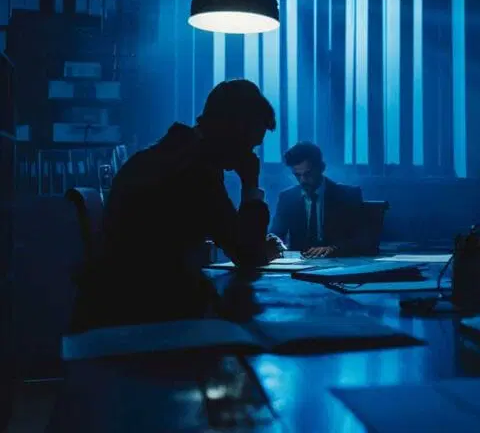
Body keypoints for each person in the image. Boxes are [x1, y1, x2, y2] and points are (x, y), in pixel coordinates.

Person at [70, 79, 282, 333]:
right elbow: (248, 256)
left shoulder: (166, 154)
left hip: (118, 308)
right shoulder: (193, 169)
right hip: (148, 319)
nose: (250, 156)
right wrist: (251, 185)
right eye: (249, 145)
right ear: (234, 130)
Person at [270, 142, 366, 257]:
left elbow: (363, 239)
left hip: (338, 264)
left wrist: (333, 249)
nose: (303, 180)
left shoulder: (348, 195)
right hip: (298, 265)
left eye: (308, 174)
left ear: (322, 168)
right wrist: (275, 244)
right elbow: (276, 234)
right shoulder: (287, 198)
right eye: (297, 175)